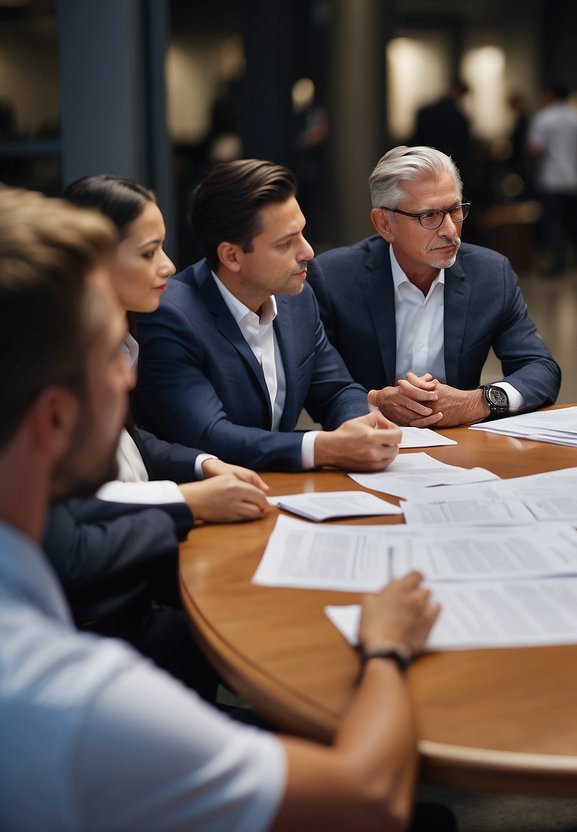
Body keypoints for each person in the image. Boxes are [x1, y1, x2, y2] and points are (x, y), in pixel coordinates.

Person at [0, 186, 442, 829]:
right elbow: (367, 797)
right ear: (55, 416)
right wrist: (386, 646)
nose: (131, 378)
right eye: (107, 361)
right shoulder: (73, 701)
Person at [48, 175, 270, 695]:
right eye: (149, 253)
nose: (169, 266)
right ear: (91, 263)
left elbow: (132, 442)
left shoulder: (118, 338)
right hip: (95, 620)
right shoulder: (48, 372)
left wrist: (201, 466)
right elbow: (71, 534)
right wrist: (189, 503)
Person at [133, 159, 401, 472]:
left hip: (286, 491)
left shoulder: (297, 299)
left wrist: (360, 425)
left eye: (302, 233)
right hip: (206, 502)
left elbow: (337, 389)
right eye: (286, 243)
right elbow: (209, 435)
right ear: (231, 256)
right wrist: (323, 447)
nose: (308, 252)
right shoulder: (170, 316)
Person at [309, 145, 561, 428]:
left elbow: (541, 370)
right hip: (365, 445)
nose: (450, 231)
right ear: (384, 223)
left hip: (460, 447)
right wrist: (375, 402)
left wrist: (476, 402)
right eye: (428, 216)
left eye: (454, 209)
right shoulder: (334, 278)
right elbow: (316, 387)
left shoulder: (490, 274)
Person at [528, 81, 577, 276]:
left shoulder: (544, 118)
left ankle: (558, 263)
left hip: (552, 178)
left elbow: (534, 148)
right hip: (576, 177)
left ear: (549, 94)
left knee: (553, 224)